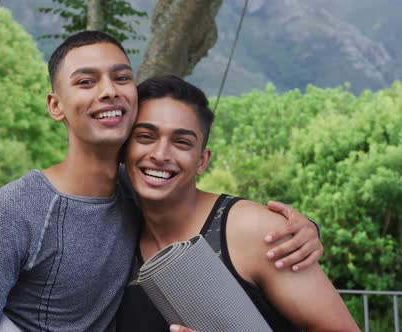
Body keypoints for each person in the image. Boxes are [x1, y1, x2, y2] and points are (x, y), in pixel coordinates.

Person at [0, 31, 323, 331]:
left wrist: (303, 230)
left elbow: (209, 216)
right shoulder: (10, 213)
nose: (109, 90)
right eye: (86, 82)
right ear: (56, 105)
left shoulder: (138, 190)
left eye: (121, 77)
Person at [117, 75, 358, 332]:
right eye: (145, 136)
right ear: (123, 147)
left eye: (181, 142)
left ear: (202, 160)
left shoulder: (254, 230)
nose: (160, 154)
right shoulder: (118, 231)